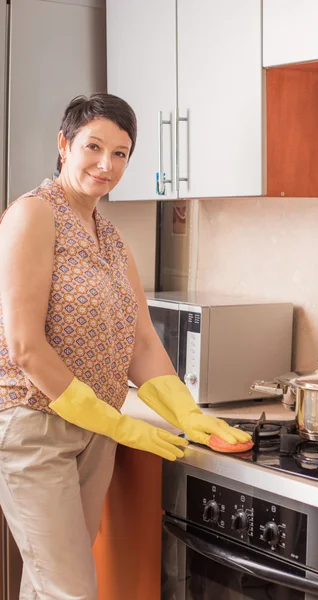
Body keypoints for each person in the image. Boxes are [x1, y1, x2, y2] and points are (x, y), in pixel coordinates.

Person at [0, 93, 251, 600]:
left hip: (94, 433)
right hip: (35, 426)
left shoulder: (110, 237)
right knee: (68, 589)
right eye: (94, 147)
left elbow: (140, 338)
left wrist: (187, 413)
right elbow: (24, 345)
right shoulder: (33, 215)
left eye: (120, 153)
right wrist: (115, 422)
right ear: (64, 145)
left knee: (51, 583)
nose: (105, 164)